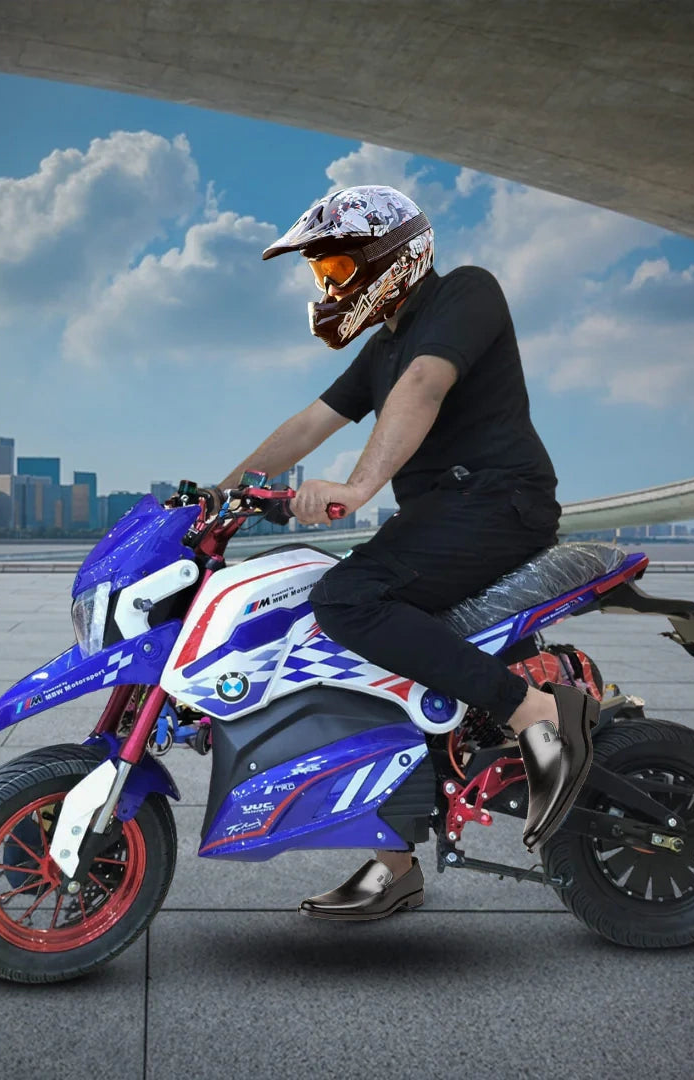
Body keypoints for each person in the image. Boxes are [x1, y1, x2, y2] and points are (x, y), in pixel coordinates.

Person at [217, 184, 599, 921]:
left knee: (346, 599)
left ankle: (535, 713)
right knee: (341, 640)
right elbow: (310, 423)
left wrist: (358, 487)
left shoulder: (466, 293)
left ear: (390, 256)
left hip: (500, 503)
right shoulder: (382, 348)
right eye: (320, 274)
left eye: (335, 268)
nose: (327, 286)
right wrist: (220, 494)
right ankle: (395, 863)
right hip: (441, 517)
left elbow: (424, 385)